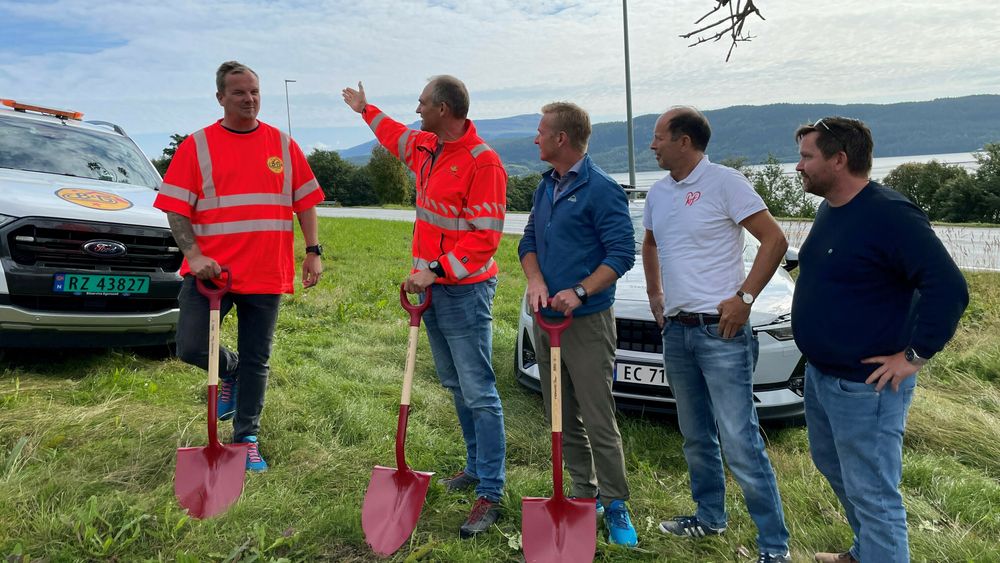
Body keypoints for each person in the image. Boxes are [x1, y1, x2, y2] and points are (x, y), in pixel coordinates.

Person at [791, 117, 969, 563]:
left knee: (874, 492)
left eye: (807, 156)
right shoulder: (832, 207)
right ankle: (865, 551)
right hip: (822, 376)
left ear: (839, 159)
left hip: (866, 386)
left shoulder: (890, 214)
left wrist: (913, 356)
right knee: (839, 472)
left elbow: (948, 288)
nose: (798, 167)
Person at [341, 76, 507, 538]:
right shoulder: (426, 146)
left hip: (464, 290)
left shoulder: (483, 162)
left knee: (479, 390)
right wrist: (365, 110)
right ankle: (475, 468)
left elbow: (486, 237)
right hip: (431, 291)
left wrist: (435, 269)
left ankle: (491, 491)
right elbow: (393, 132)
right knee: (455, 384)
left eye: (423, 103)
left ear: (445, 109)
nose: (416, 109)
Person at [154, 61, 325, 472]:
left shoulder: (283, 146)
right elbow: (176, 209)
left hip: (265, 272)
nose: (249, 99)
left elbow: (305, 201)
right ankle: (229, 372)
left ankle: (246, 436)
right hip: (211, 273)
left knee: (258, 358)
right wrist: (194, 256)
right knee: (191, 346)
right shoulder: (198, 146)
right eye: (239, 93)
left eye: (254, 91)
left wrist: (313, 250)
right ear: (220, 98)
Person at [642, 106, 792, 563]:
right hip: (678, 333)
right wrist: (655, 294)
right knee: (695, 435)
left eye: (658, 137)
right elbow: (649, 243)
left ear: (684, 141)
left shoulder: (726, 182)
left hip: (721, 333)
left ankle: (774, 546)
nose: (653, 145)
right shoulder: (659, 193)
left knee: (740, 440)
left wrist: (744, 299)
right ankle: (709, 517)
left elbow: (775, 240)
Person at [518, 102, 638, 547]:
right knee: (560, 415)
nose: (535, 139)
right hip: (546, 320)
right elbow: (529, 240)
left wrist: (581, 290)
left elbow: (621, 253)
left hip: (586, 323)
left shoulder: (601, 188)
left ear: (561, 139)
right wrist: (536, 279)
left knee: (597, 415)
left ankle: (617, 502)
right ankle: (582, 495)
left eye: (541, 131)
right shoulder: (545, 186)